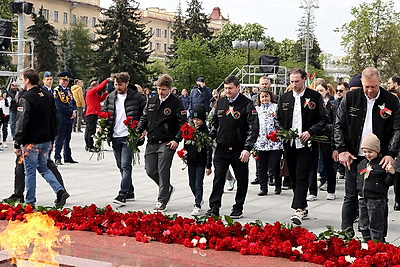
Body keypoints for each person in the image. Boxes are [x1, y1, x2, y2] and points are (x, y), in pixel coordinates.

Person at [334, 67, 400, 236]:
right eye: (366, 87)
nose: (370, 91)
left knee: (379, 200)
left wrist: (391, 154)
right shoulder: (350, 98)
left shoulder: (391, 101)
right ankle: (346, 235)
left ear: (380, 83)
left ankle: (378, 239)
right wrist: (342, 149)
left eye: (373, 87)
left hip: (379, 158)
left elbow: (397, 129)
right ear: (362, 84)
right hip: (354, 156)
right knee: (350, 197)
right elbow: (339, 125)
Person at [275, 68, 327, 225]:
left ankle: (297, 209)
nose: (294, 84)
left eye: (297, 81)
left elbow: (323, 119)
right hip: (290, 143)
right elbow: (277, 119)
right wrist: (284, 133)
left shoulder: (315, 97)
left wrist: (310, 132)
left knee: (302, 174)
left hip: (308, 144)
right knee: (293, 176)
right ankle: (303, 206)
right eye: (291, 81)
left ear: (304, 79)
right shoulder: (284, 98)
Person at [14, 67, 69, 207]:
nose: (21, 82)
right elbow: (54, 118)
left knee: (30, 171)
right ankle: (60, 190)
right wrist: (52, 138)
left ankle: (30, 202)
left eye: (21, 79)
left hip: (31, 142)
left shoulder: (26, 98)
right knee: (43, 167)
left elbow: (21, 122)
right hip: (46, 140)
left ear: (27, 80)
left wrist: (17, 143)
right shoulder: (47, 95)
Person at [206, 75, 259, 219]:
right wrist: (211, 136)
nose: (227, 91)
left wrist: (248, 148)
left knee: (242, 179)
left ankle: (238, 207)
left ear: (238, 87)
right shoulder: (221, 102)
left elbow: (253, 128)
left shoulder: (247, 104)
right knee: (218, 178)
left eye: (230, 88)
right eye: (225, 88)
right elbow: (216, 123)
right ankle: (214, 207)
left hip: (239, 149)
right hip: (222, 148)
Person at [137, 74, 187, 212]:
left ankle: (162, 200)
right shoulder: (152, 100)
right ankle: (166, 188)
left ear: (170, 89)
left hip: (167, 142)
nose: (160, 92)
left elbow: (183, 123)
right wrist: (140, 129)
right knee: (150, 170)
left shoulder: (177, 103)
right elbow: (145, 116)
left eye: (163, 89)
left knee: (163, 170)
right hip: (152, 140)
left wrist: (177, 139)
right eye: (158, 88)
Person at [102, 72, 146, 206]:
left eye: (120, 84)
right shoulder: (110, 97)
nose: (118, 87)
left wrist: (143, 129)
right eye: (116, 84)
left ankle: (122, 194)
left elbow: (146, 113)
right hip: (115, 135)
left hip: (129, 135)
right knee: (120, 165)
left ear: (127, 84)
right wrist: (103, 125)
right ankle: (130, 191)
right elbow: (106, 113)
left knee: (126, 165)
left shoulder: (137, 97)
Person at [357, 133, 397, 242]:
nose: (367, 154)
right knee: (363, 224)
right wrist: (359, 191)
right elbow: (359, 178)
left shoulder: (381, 164)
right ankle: (366, 243)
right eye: (365, 152)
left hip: (377, 200)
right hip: (363, 198)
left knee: (376, 225)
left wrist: (392, 174)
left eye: (370, 152)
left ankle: (377, 245)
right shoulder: (362, 163)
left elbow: (388, 183)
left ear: (377, 151)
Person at [253, 89, 283, 196]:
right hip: (261, 142)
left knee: (275, 165)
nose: (264, 99)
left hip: (275, 142)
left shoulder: (275, 108)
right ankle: (263, 187)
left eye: (266, 96)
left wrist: (279, 133)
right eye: (262, 97)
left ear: (270, 97)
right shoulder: (256, 109)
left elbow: (280, 122)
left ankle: (278, 184)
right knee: (262, 167)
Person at [184, 104, 212, 216]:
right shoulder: (189, 130)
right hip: (191, 161)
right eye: (194, 119)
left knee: (198, 183)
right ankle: (198, 198)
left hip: (201, 162)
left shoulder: (205, 132)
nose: (196, 122)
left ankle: (197, 205)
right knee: (191, 183)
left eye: (198, 120)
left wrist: (208, 165)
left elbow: (208, 150)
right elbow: (186, 144)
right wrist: (184, 154)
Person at [53, 71, 78, 165]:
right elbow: (59, 105)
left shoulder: (68, 90)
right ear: (59, 80)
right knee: (59, 138)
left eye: (66, 80)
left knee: (68, 138)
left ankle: (67, 156)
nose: (65, 82)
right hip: (61, 117)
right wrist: (70, 112)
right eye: (63, 80)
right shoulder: (56, 91)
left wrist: (74, 111)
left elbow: (73, 102)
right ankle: (57, 157)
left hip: (69, 117)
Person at [84, 79, 110, 152]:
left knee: (89, 130)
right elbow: (100, 87)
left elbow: (101, 99)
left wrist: (105, 93)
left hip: (93, 113)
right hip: (92, 113)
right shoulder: (91, 92)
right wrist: (107, 80)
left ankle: (88, 145)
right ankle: (90, 146)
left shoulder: (94, 94)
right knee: (91, 131)